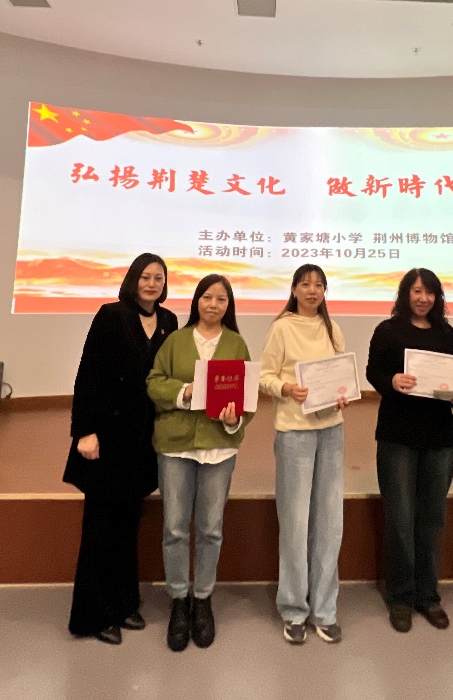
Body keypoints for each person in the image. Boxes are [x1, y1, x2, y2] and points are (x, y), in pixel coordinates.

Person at [64, 253, 177, 645]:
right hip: (106, 438)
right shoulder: (110, 315)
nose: (152, 284)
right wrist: (85, 432)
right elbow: (88, 374)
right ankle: (93, 616)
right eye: (145, 277)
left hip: (144, 442)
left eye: (158, 278)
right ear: (133, 280)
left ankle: (125, 604)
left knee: (128, 526)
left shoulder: (168, 321)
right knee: (100, 529)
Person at [146, 274, 254, 652]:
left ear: (228, 305)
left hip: (218, 449)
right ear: (196, 301)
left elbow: (247, 397)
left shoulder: (236, 344)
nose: (213, 304)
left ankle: (203, 597)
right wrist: (184, 391)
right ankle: (179, 599)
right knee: (175, 527)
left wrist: (234, 419)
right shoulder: (176, 340)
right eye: (207, 297)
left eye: (221, 299)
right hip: (175, 448)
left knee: (210, 528)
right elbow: (154, 382)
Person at [365, 268, 453, 632]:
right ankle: (400, 597)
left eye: (430, 292)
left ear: (437, 297)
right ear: (405, 294)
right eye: (417, 291)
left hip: (439, 438)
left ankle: (428, 595)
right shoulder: (387, 330)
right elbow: (373, 372)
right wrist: (391, 380)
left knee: (432, 518)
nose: (423, 298)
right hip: (397, 436)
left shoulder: (446, 334)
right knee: (400, 518)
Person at [259, 264, 349, 645]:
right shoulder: (282, 327)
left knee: (330, 521)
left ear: (325, 291)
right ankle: (294, 609)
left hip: (331, 430)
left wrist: (344, 394)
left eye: (319, 285)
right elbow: (264, 375)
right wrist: (286, 389)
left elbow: (341, 375)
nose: (312, 290)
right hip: (294, 432)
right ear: (294, 289)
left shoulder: (332, 328)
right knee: (295, 524)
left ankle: (325, 609)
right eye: (305, 284)